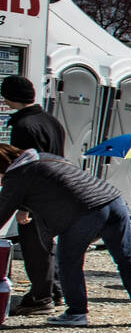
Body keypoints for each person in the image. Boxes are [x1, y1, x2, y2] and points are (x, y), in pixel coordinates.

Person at [0, 144, 131, 327]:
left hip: (86, 210)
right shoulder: (43, 158)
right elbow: (56, 184)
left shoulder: (17, 175)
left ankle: (76, 312)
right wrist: (24, 208)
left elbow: (2, 211)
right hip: (112, 200)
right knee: (126, 256)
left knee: (68, 262)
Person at [2, 76, 66, 316]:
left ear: (9, 98)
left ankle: (41, 297)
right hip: (57, 189)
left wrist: (23, 205)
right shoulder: (51, 120)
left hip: (36, 195)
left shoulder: (24, 126)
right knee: (47, 244)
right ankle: (56, 290)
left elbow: (26, 169)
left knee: (34, 246)